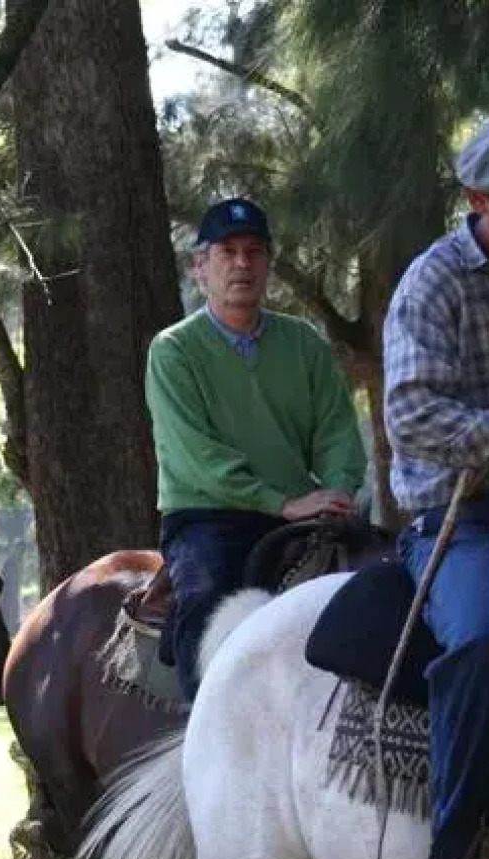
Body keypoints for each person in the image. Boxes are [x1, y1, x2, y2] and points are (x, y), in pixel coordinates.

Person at [147, 196, 368, 701]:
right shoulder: (174, 351)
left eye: (254, 251)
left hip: (304, 511)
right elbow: (196, 457)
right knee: (207, 604)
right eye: (227, 251)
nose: (242, 263)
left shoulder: (304, 344)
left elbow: (336, 430)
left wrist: (336, 488)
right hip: (210, 516)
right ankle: (201, 738)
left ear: (268, 263)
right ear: (200, 267)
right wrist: (282, 503)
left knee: (383, 579)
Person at [382, 119, 489, 859]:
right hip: (460, 520)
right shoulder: (435, 282)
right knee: (485, 636)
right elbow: (410, 412)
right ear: (479, 200)